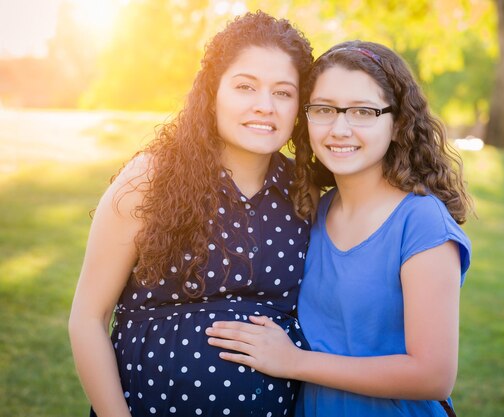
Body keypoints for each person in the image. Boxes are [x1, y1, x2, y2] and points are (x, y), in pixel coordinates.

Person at [205, 40, 473, 417]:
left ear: (397, 124)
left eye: (363, 111)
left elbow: (433, 375)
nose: (340, 128)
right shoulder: (316, 210)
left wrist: (293, 362)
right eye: (325, 109)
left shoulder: (421, 223)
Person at [68, 11, 314, 417]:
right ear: (212, 92)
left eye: (283, 93)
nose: (264, 106)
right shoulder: (151, 177)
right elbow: (87, 319)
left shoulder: (304, 194)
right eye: (245, 87)